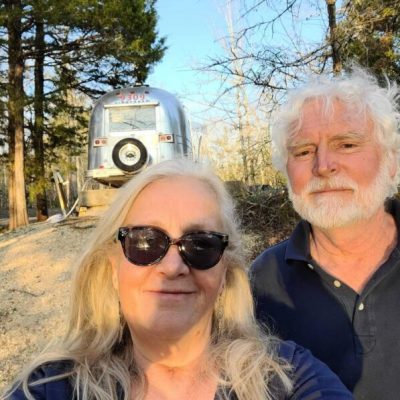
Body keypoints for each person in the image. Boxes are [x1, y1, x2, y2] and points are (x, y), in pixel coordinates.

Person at [3, 159, 352, 400]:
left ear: (225, 273)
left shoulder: (287, 378)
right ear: (111, 269)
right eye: (144, 241)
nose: (172, 267)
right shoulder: (51, 388)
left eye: (201, 244)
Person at [251, 68, 400, 399]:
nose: (323, 166)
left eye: (346, 144)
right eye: (303, 151)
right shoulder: (260, 282)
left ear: (391, 161)